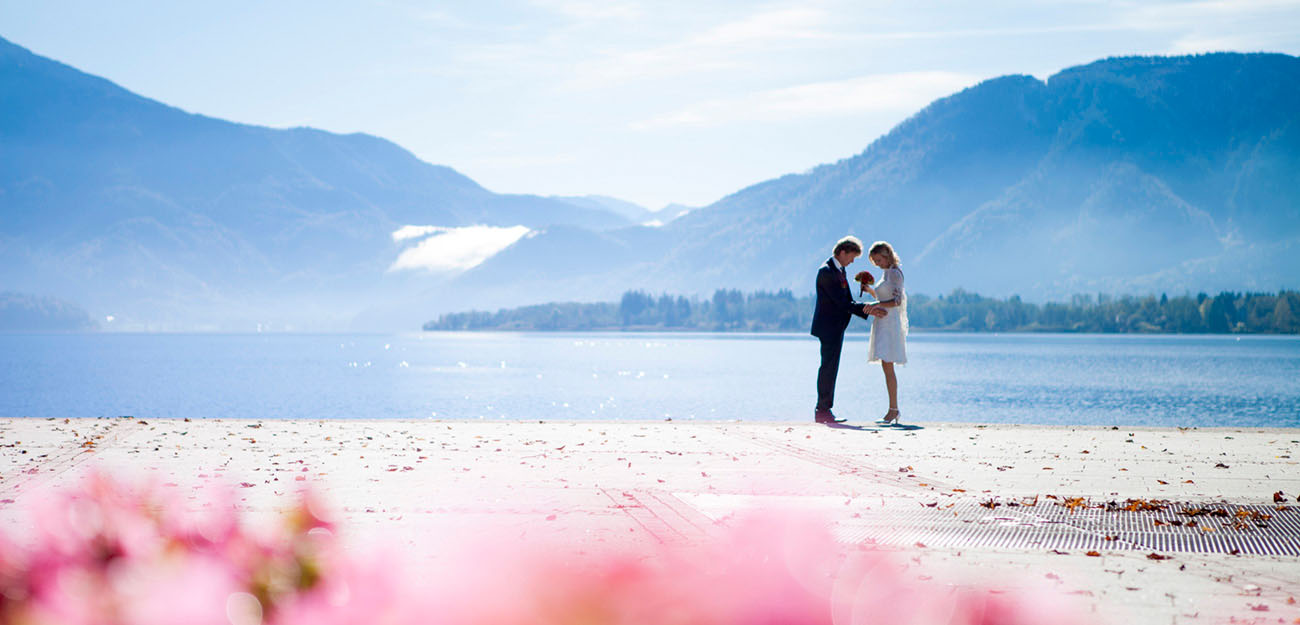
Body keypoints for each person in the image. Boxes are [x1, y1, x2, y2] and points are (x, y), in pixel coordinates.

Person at [810, 236, 884, 424]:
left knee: (831, 367)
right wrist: (868, 309)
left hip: (836, 327)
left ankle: (825, 410)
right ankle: (822, 411)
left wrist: (867, 306)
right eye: (851, 257)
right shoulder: (826, 271)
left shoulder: (839, 270)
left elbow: (848, 301)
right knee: (828, 367)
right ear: (842, 252)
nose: (852, 262)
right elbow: (842, 303)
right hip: (828, 327)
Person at [864, 241, 908, 425]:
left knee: (888, 367)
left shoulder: (895, 273)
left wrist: (875, 305)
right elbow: (885, 297)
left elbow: (896, 301)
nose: (878, 263)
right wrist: (871, 292)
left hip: (890, 323)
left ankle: (893, 410)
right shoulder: (887, 273)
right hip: (882, 321)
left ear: (887, 255)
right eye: (875, 261)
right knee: (885, 366)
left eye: (879, 259)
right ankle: (892, 409)